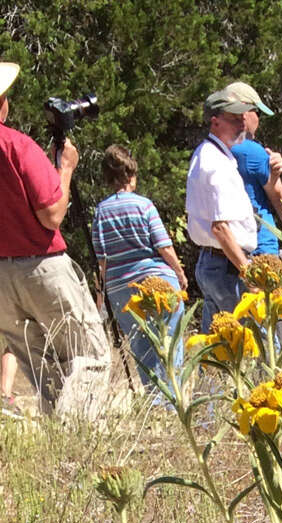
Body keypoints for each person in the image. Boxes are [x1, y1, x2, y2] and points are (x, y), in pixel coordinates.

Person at [0, 46, 112, 415]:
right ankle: (76, 433)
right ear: (1, 96)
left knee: (41, 366)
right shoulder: (17, 144)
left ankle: (59, 441)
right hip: (43, 266)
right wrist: (65, 168)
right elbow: (52, 214)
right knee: (90, 355)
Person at [90, 144, 188, 394]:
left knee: (141, 346)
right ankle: (173, 395)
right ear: (131, 175)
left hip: (121, 287)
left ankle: (155, 401)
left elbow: (101, 260)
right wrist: (179, 272)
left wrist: (101, 300)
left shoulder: (101, 212)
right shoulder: (144, 205)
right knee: (171, 340)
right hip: (156, 279)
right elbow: (164, 246)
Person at [185, 86, 262, 324]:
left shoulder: (210, 154)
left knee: (217, 346)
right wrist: (249, 274)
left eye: (243, 118)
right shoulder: (215, 162)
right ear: (215, 122)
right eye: (234, 119)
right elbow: (220, 228)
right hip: (227, 267)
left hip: (216, 264)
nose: (241, 125)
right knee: (249, 340)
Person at [227, 90, 282, 291]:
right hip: (260, 251)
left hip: (224, 254)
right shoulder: (252, 152)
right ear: (244, 112)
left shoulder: (212, 151)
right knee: (272, 318)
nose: (259, 120)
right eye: (257, 112)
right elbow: (279, 198)